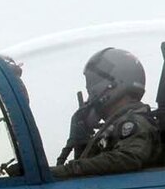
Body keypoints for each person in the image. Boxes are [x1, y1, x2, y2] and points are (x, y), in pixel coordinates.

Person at [51, 47, 159, 179]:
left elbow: (128, 158)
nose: (89, 90)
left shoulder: (134, 122)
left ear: (115, 82)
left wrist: (70, 169)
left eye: (93, 82)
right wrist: (81, 141)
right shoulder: (114, 125)